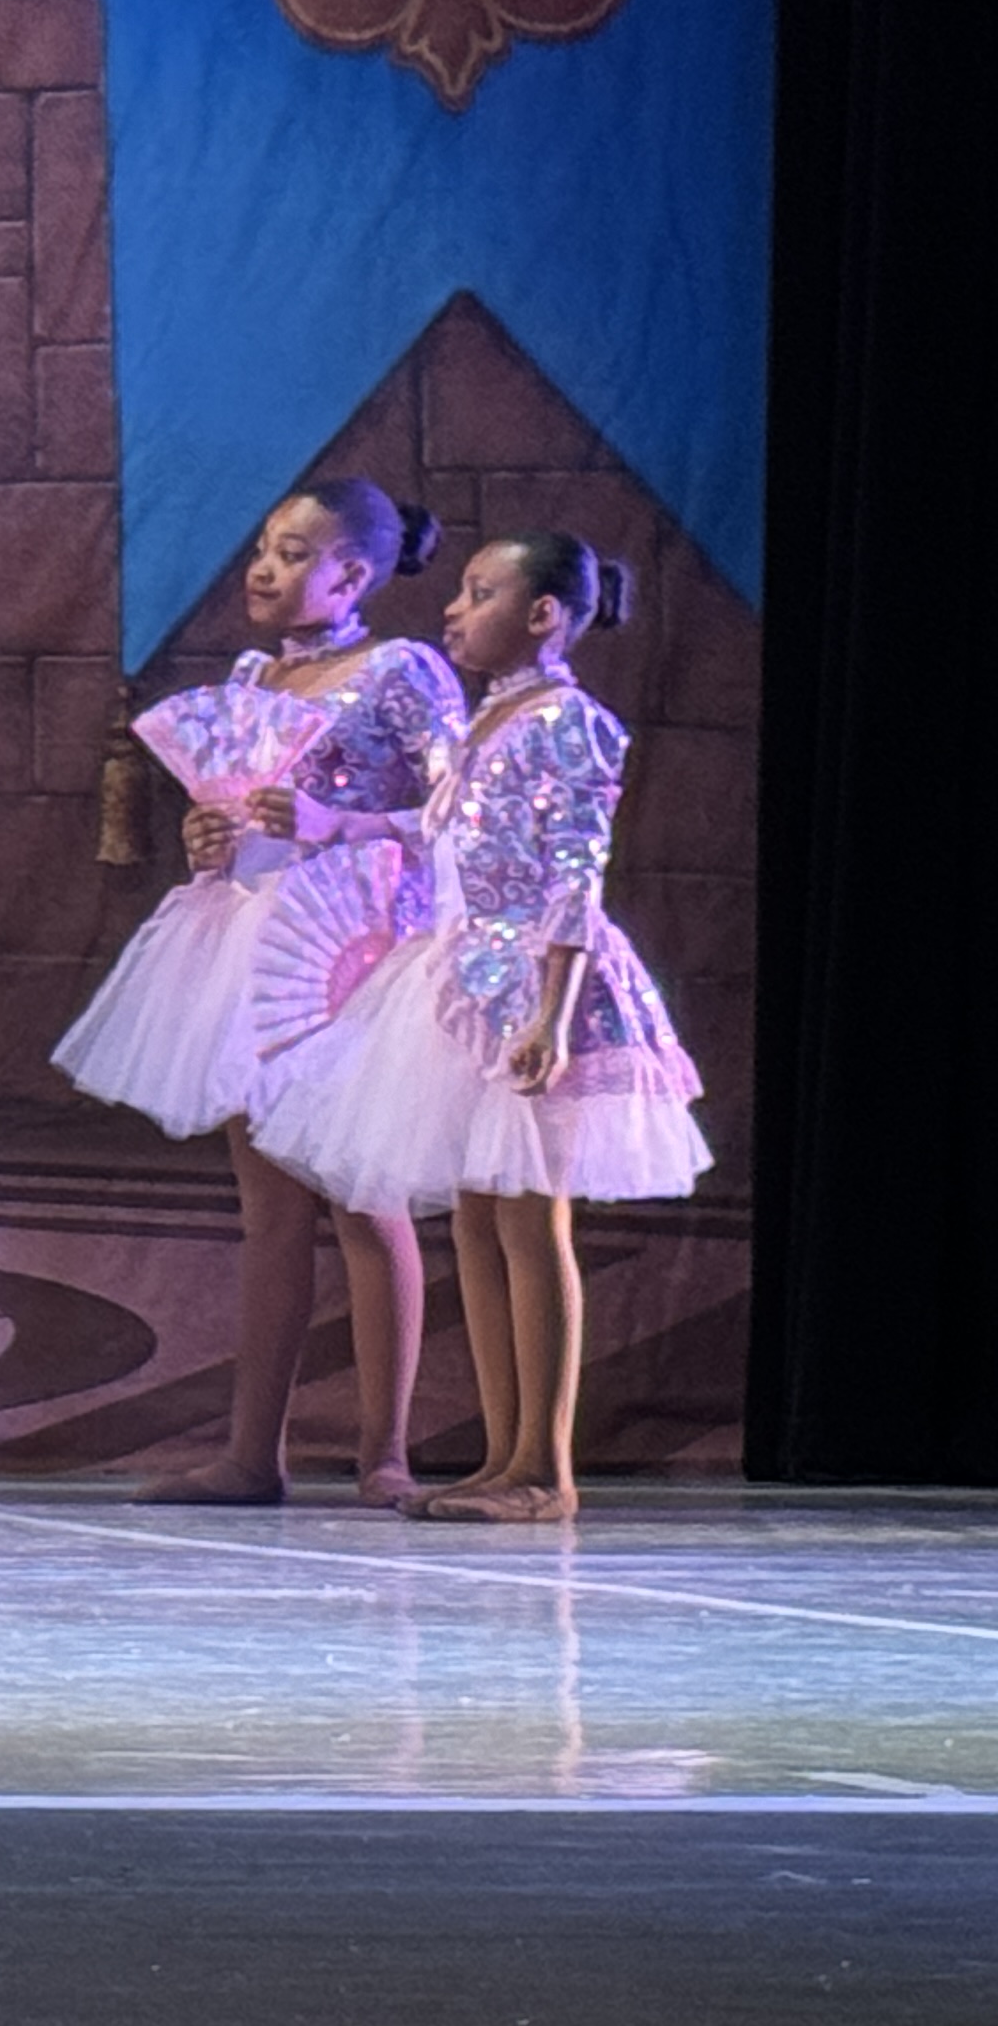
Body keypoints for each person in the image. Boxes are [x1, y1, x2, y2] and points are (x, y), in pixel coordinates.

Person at [249, 532, 709, 1521]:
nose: (454, 611)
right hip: (466, 981)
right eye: (460, 591)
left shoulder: (568, 722)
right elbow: (442, 834)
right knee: (479, 1218)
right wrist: (338, 827)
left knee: (532, 1220)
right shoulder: (491, 717)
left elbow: (575, 871)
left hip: (538, 982)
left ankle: (545, 1469)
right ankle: (502, 1460)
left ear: (542, 615)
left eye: (480, 593)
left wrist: (551, 1011)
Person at [55, 480, 465, 1505]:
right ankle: (251, 1455)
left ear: (352, 574)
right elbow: (237, 811)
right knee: (272, 1209)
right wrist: (209, 839)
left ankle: (385, 1454)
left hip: (353, 949)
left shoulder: (402, 672)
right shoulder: (252, 675)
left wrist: (341, 825)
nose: (263, 568)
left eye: (292, 553)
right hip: (254, 942)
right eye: (263, 548)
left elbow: (464, 815)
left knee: (362, 1194)